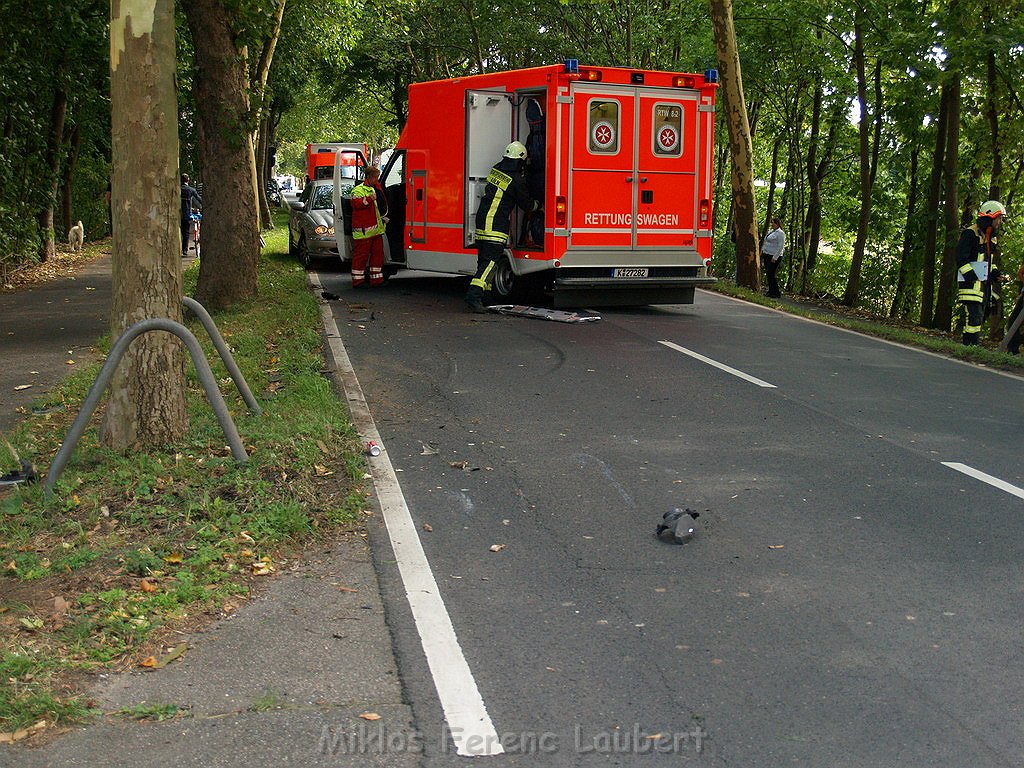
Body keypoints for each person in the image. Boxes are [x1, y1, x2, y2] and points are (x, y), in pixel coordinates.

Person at [465, 141, 539, 313]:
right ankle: (473, 296)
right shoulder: (516, 180)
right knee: (490, 262)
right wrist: (538, 206)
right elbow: (526, 204)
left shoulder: (496, 169)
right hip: (495, 224)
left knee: (484, 262)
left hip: (482, 220)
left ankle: (487, 296)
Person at [956, 200, 1005, 345]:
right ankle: (971, 346)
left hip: (983, 288)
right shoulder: (970, 234)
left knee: (979, 317)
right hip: (970, 286)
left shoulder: (990, 238)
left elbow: (987, 262)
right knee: (974, 317)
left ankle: (969, 346)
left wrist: (995, 273)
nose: (1000, 222)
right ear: (990, 217)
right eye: (999, 218)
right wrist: (971, 276)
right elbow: (960, 258)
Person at [349, 168, 387, 288]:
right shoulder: (358, 190)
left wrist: (383, 218)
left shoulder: (376, 188)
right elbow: (356, 204)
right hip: (363, 232)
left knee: (378, 255)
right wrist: (370, 198)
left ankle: (376, 280)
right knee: (361, 257)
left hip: (376, 230)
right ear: (369, 177)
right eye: (375, 177)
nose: (377, 179)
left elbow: (376, 209)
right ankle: (358, 281)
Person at [761, 217, 785, 298]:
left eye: (773, 223)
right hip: (767, 254)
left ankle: (776, 292)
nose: (772, 225)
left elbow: (780, 246)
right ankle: (771, 291)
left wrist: (775, 257)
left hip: (774, 256)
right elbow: (766, 241)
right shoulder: (772, 232)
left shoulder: (780, 233)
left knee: (771, 274)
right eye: (771, 223)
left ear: (777, 224)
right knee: (768, 274)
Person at [180, 174, 202, 257]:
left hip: (179, 213)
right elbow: (198, 199)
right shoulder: (191, 190)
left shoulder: (179, 189)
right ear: (188, 180)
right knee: (186, 232)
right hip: (186, 213)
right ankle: (184, 250)